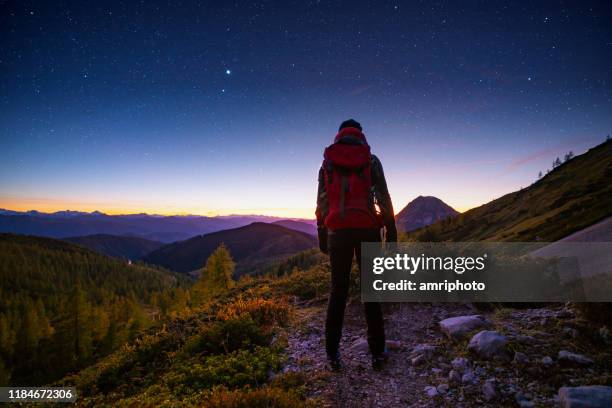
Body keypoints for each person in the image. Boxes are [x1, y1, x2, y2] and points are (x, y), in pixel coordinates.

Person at [315, 119, 397, 371]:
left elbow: (322, 200)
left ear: (339, 133)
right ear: (360, 133)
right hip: (367, 230)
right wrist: (390, 230)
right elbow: (383, 196)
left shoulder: (328, 161)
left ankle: (332, 354)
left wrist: (322, 233)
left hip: (337, 231)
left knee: (337, 291)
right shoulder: (370, 160)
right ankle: (377, 353)